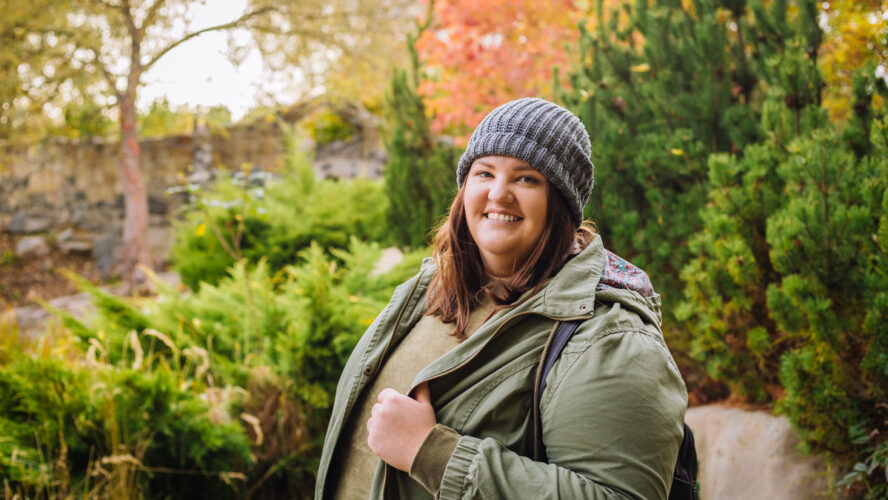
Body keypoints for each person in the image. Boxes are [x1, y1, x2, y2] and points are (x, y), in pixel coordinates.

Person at [314, 97, 687, 499]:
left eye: (526, 178)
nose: (499, 194)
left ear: (561, 203)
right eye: (484, 172)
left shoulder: (610, 339)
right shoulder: (428, 290)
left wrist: (432, 452)